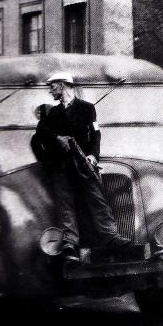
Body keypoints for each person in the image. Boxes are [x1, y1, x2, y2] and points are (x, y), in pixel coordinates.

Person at [34, 72, 130, 262]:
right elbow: (40, 131)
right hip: (62, 167)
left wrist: (94, 156)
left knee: (97, 200)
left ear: (62, 86)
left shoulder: (87, 108)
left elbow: (96, 134)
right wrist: (57, 138)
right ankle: (70, 243)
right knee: (65, 205)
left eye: (52, 86)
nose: (50, 90)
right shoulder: (52, 113)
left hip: (84, 164)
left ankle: (111, 237)